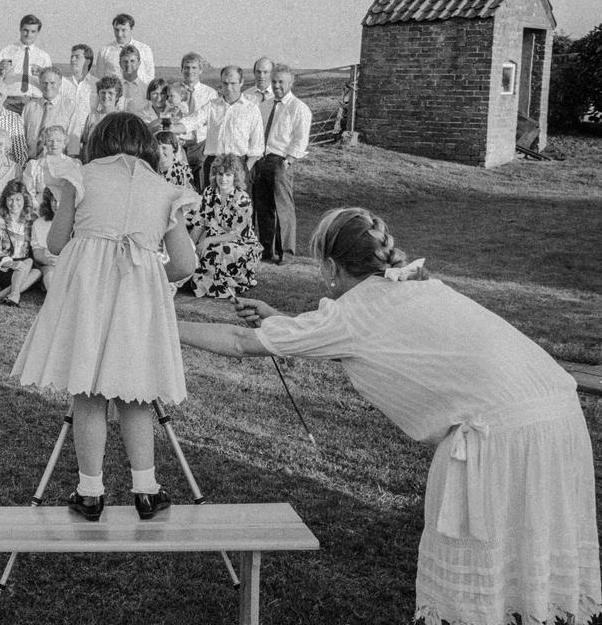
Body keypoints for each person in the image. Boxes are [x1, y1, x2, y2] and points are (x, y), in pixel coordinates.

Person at [178, 207, 600, 625]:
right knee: (530, 574)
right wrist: (280, 321)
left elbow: (239, 341)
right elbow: (359, 334)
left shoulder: (354, 313)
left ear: (330, 266)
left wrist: (161, 323)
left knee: (481, 595)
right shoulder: (418, 286)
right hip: (557, 416)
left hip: (502, 437)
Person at [12, 113, 200, 522]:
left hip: (89, 297)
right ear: (146, 146)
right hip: (136, 298)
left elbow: (58, 242)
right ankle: (146, 489)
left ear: (99, 142)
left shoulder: (81, 177)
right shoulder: (164, 189)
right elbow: (185, 262)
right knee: (136, 392)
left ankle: (90, 491)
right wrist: (150, 274)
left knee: (89, 391)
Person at [252, 64, 311, 265]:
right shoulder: (265, 106)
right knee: (263, 207)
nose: (277, 86)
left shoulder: (299, 108)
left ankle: (286, 252)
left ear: (291, 83)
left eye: (281, 82)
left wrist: (289, 160)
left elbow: (301, 139)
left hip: (281, 162)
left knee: (283, 207)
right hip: (262, 160)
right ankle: (266, 250)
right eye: (274, 81)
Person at [189, 154, 262, 298]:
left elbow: (236, 234)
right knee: (197, 252)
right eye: (220, 174)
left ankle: (235, 280)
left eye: (228, 175)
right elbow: (199, 223)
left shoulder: (242, 199)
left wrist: (207, 241)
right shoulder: (209, 193)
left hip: (241, 244)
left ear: (235, 177)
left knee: (220, 251)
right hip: (214, 240)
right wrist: (189, 246)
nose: (223, 179)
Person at [0, 180, 40, 306]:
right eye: (10, 199)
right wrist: (11, 263)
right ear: (5, 200)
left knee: (37, 271)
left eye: (18, 199)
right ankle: (14, 295)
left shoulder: (32, 220)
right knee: (27, 263)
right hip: (1, 267)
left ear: (25, 200)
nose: (14, 204)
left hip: (24, 267)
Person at [203, 65, 264, 185]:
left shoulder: (251, 109)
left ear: (241, 82)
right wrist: (172, 127)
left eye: (233, 83)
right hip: (214, 165)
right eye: (225, 83)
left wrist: (244, 170)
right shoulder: (212, 106)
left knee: (238, 202)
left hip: (239, 165)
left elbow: (257, 146)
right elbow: (192, 121)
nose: (229, 88)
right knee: (211, 202)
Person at [0, 14, 50, 113]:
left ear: (37, 33)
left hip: (35, 103)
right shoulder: (7, 51)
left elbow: (50, 84)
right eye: (26, 30)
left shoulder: (44, 56)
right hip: (10, 102)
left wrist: (43, 74)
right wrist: (0, 71)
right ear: (20, 29)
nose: (28, 35)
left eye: (33, 31)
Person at [21, 67, 86, 158]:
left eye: (52, 83)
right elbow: (21, 137)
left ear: (60, 83)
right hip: (31, 161)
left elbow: (73, 139)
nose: (48, 87)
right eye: (44, 83)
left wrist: (72, 162)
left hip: (58, 161)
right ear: (39, 83)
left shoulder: (69, 106)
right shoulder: (29, 107)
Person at [176, 52, 220, 185]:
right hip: (179, 144)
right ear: (182, 69)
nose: (190, 71)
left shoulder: (210, 94)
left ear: (200, 70)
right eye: (187, 67)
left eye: (194, 68)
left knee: (202, 181)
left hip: (201, 146)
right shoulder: (173, 91)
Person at [22, 124, 79, 207]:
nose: (54, 144)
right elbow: (28, 194)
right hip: (40, 210)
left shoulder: (74, 165)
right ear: (45, 143)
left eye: (58, 141)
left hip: (65, 210)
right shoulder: (34, 166)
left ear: (64, 143)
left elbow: (77, 194)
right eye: (50, 140)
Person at [94, 13, 155, 84]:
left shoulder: (144, 50)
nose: (119, 34)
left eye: (123, 30)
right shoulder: (105, 51)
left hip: (138, 93)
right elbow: (100, 78)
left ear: (131, 29)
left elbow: (150, 77)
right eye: (116, 30)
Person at [80, 77, 122, 158]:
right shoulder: (92, 117)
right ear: (98, 94)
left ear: (117, 96)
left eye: (110, 93)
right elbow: (85, 143)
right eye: (103, 92)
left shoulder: (123, 118)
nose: (106, 96)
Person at [30, 186, 59, 290]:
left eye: (61, 201)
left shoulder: (75, 223)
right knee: (50, 275)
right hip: (49, 265)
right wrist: (48, 261)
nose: (57, 205)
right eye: (54, 200)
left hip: (69, 264)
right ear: (48, 202)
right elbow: (38, 253)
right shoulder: (39, 223)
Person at [61, 43, 98, 111]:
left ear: (87, 62)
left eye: (77, 57)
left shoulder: (97, 84)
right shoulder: (63, 83)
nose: (72, 59)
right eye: (71, 57)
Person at [117, 45, 148, 113]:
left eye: (132, 61)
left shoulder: (146, 89)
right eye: (125, 61)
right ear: (120, 64)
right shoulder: (114, 87)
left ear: (139, 63)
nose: (128, 64)